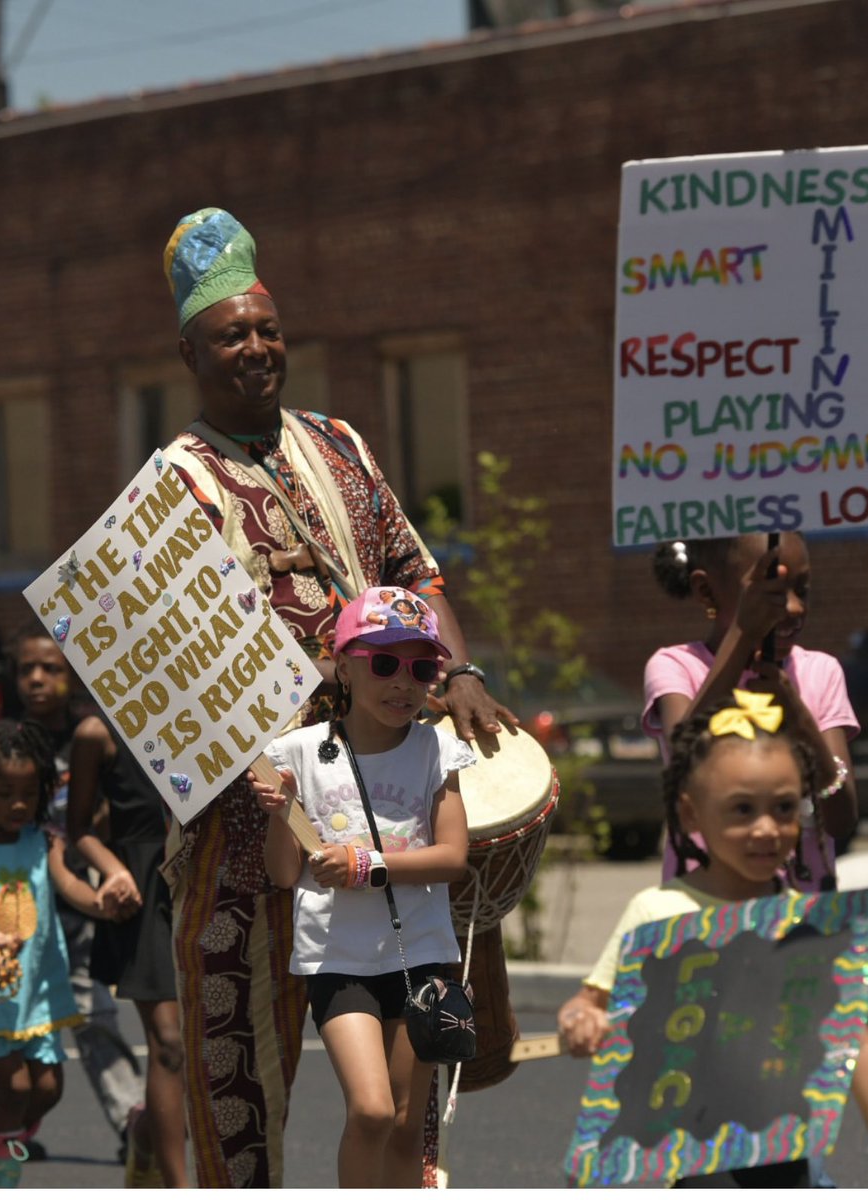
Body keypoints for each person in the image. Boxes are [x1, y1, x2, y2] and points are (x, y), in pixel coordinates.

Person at [159, 206, 517, 1187]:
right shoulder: (173, 486)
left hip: (390, 783)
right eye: (232, 333)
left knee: (409, 1081)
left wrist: (462, 671)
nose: (257, 347)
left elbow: (414, 569)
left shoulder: (341, 443)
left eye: (267, 328)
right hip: (251, 816)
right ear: (190, 349)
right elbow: (171, 664)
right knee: (237, 1072)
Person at [557, 693, 868, 1188]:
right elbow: (588, 1002)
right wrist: (581, 1022)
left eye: (785, 807)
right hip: (694, 1162)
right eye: (743, 809)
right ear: (691, 815)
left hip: (788, 1153)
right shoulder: (658, 914)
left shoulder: (808, 923)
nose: (767, 828)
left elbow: (851, 1036)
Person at [250, 586, 473, 1188]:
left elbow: (454, 857)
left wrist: (368, 865)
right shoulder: (296, 751)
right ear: (343, 663)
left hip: (422, 955)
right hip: (337, 958)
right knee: (371, 1110)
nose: (404, 682)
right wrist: (281, 814)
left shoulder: (435, 749)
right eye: (383, 663)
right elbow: (280, 874)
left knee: (405, 1124)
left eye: (422, 667)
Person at [0, 720, 109, 1188]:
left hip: (38, 993)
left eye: (29, 792)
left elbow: (68, 885)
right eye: (4, 792)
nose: (19, 804)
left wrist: (101, 901)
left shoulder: (41, 840)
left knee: (48, 1089)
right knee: (16, 1086)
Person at [643, 534, 858, 889]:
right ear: (706, 592)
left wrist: (800, 720)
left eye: (801, 591)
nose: (794, 608)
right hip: (705, 914)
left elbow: (842, 818)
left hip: (803, 918)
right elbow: (684, 761)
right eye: (768, 593)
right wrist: (745, 631)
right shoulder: (677, 667)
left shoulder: (820, 672)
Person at [5, 621, 143, 1162]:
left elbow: (107, 817)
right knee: (14, 1026)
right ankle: (6, 1127)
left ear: (73, 677)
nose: (37, 679)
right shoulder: (5, 743)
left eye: (51, 669)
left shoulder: (92, 737)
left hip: (75, 900)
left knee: (93, 1014)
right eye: (26, 670)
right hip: (14, 905)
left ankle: (132, 1118)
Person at [66, 708, 187, 1188]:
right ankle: (178, 1187)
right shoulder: (98, 731)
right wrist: (112, 870)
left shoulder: (220, 712)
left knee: (210, 1045)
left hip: (208, 875)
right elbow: (78, 830)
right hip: (142, 885)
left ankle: (144, 1134)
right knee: (169, 1041)